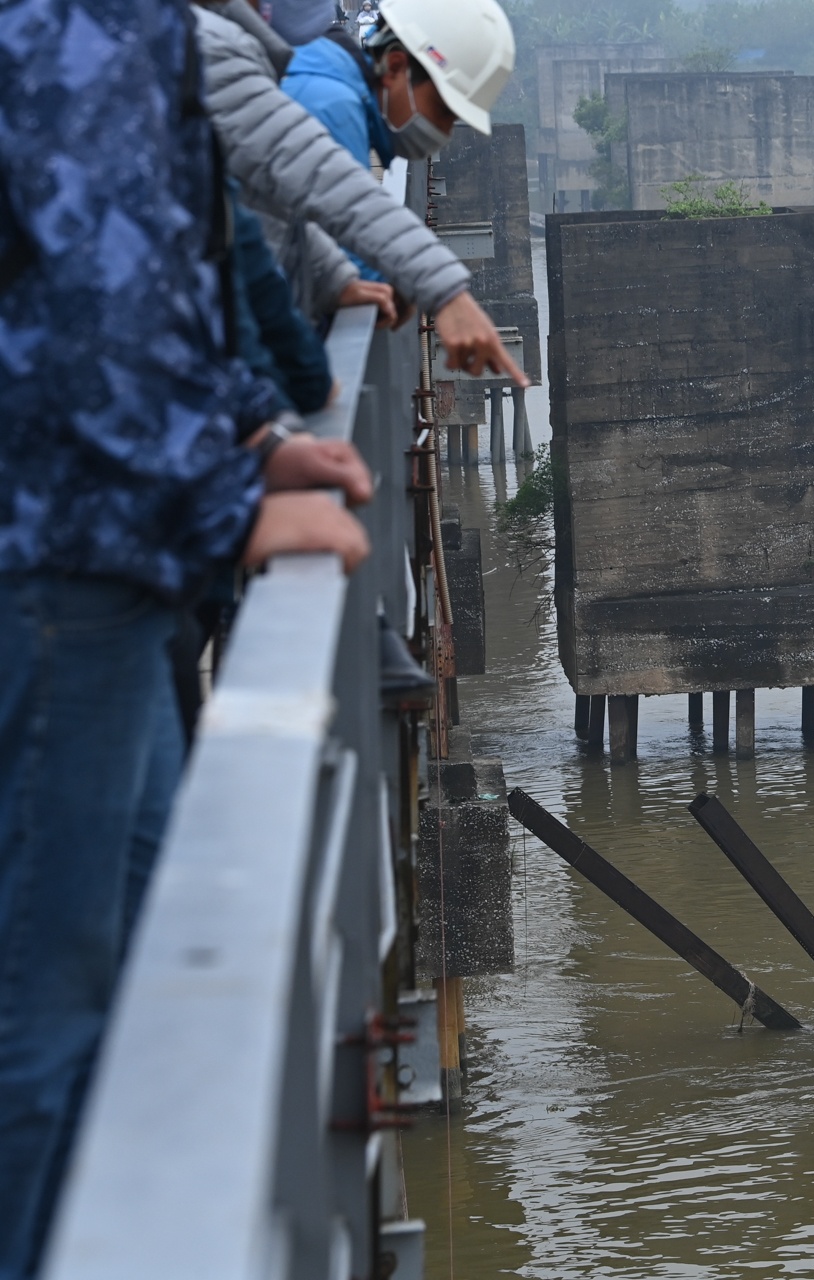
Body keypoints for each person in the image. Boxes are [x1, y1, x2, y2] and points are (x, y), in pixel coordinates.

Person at [0, 0, 374, 1271]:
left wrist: (260, 441)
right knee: (44, 1009)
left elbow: (170, 273)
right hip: (64, 553)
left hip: (96, 549)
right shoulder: (81, 23)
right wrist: (228, 500)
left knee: (146, 930)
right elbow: (96, 303)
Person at [277, 0, 524, 378]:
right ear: (395, 67)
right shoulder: (331, 107)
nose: (442, 134)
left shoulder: (333, 84)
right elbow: (343, 235)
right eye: (442, 112)